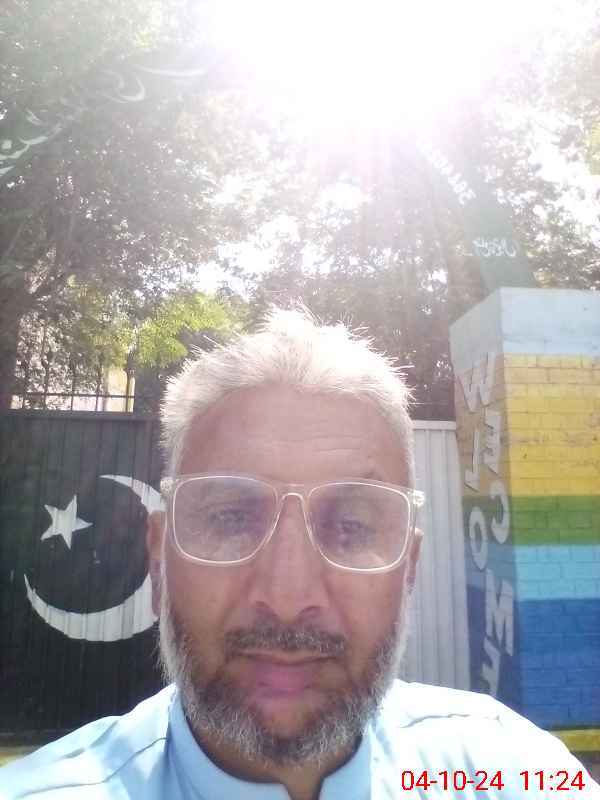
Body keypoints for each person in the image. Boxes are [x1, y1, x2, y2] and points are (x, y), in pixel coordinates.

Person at [1, 307, 598, 800]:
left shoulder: (507, 770)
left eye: (352, 526)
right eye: (230, 518)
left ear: (408, 570)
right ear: (160, 562)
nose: (287, 599)